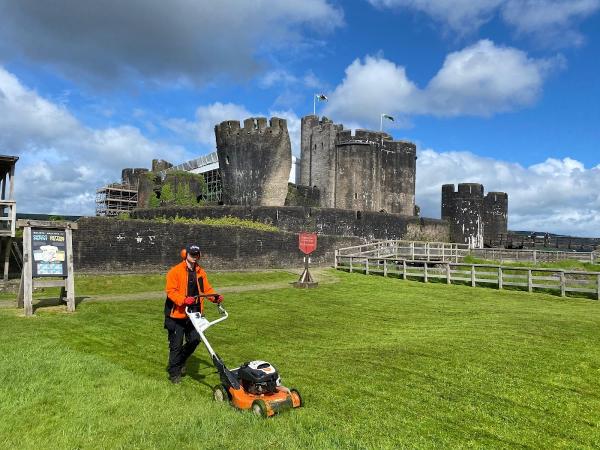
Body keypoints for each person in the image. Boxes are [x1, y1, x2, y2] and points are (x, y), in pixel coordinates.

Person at [164, 244, 223, 384]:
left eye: (196, 254)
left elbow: (206, 289)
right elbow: (171, 291)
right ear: (185, 254)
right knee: (176, 345)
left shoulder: (200, 272)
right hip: (176, 314)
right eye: (192, 254)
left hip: (194, 313)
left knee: (195, 339)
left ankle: (181, 361)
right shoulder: (175, 271)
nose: (194, 257)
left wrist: (214, 297)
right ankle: (174, 373)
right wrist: (183, 300)